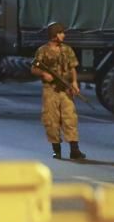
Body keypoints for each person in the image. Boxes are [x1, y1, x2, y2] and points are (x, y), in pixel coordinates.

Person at [30, 21, 86, 160]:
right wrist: (44, 74)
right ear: (54, 35)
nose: (63, 35)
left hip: (65, 88)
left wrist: (74, 83)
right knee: (51, 119)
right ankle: (57, 149)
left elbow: (73, 67)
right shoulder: (42, 50)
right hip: (50, 90)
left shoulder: (67, 49)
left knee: (70, 118)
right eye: (61, 33)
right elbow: (34, 68)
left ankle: (74, 150)